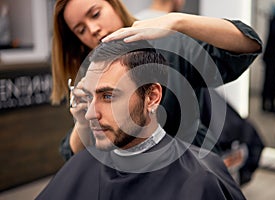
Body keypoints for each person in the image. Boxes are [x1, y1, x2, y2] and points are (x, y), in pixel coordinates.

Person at [51, 0, 262, 161]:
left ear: (113, 4)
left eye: (96, 14)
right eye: (81, 30)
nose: (93, 29)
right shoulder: (90, 74)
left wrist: (177, 21)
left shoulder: (170, 45)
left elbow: (248, 45)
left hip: (190, 167)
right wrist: (82, 122)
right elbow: (75, 156)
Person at [37, 39, 246, 199]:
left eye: (108, 96)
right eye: (89, 97)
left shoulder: (201, 178)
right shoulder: (81, 165)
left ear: (152, 97)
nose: (91, 113)